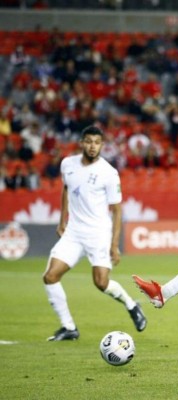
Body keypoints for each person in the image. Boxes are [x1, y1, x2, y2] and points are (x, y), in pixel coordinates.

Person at [43, 125, 146, 341]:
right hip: (73, 232)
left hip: (98, 233)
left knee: (101, 283)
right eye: (88, 141)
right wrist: (62, 220)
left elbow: (116, 210)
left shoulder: (108, 173)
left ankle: (131, 304)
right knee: (51, 276)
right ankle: (69, 327)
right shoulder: (67, 164)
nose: (92, 146)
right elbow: (65, 190)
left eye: (96, 142)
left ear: (102, 145)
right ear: (81, 142)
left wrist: (114, 244)